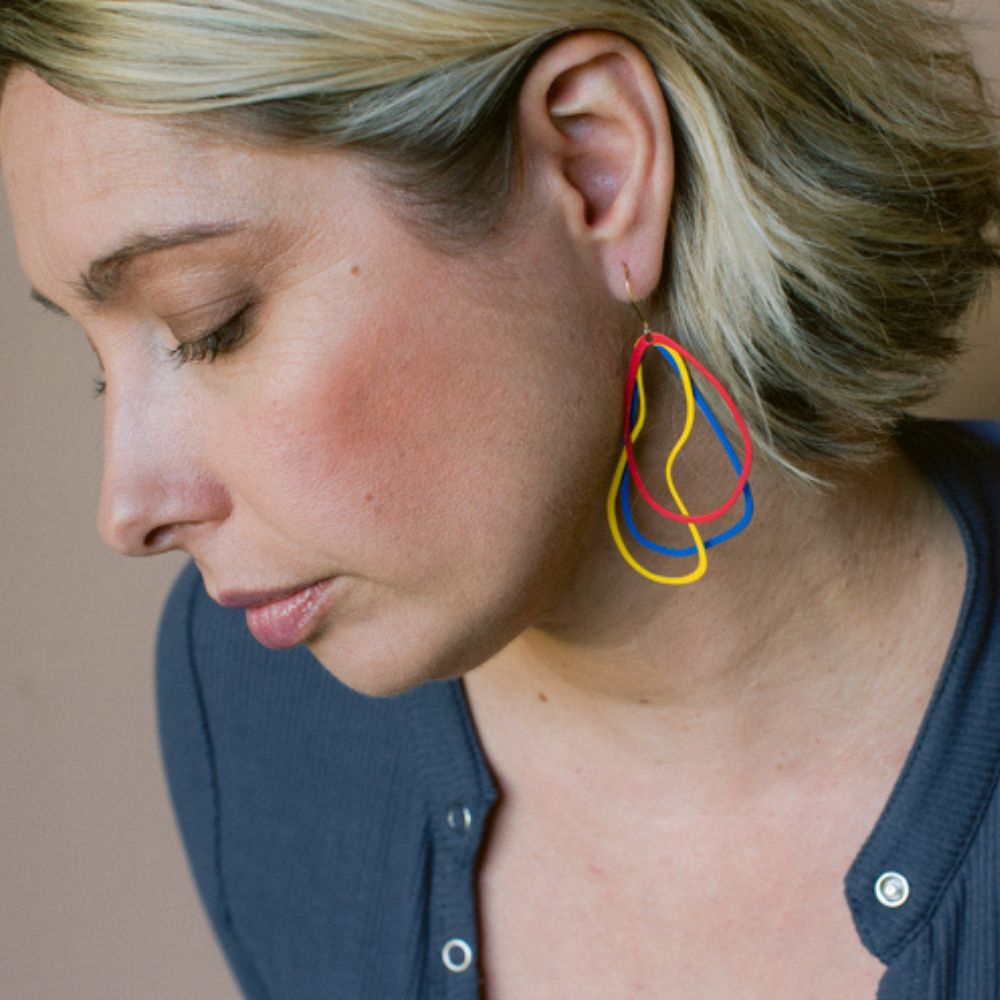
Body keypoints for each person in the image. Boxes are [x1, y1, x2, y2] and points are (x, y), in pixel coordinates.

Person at [1, 0, 998, 996]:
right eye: (101, 367)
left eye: (210, 322)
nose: (128, 508)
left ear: (597, 167)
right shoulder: (257, 700)